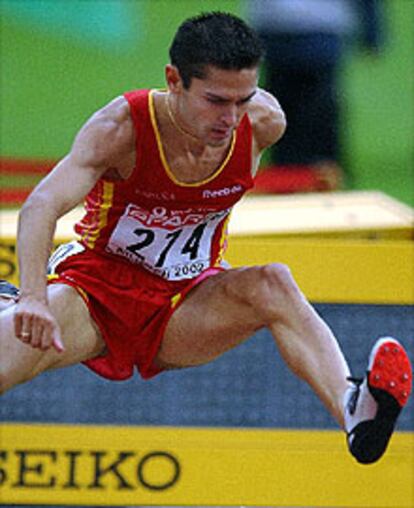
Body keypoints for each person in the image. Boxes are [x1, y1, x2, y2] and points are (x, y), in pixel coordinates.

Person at [0, 12, 411, 465]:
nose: (230, 118)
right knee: (14, 351)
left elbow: (246, 117)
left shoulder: (264, 124)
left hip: (183, 303)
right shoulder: (120, 128)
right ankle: (11, 301)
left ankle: (354, 409)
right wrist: (34, 298)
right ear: (174, 81)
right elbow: (40, 205)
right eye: (216, 101)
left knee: (272, 282)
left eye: (242, 99)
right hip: (96, 294)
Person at [249, 0, 383, 192]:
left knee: (290, 117)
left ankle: (299, 183)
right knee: (302, 117)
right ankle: (307, 183)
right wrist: (372, 29)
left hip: (286, 29)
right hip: (309, 30)